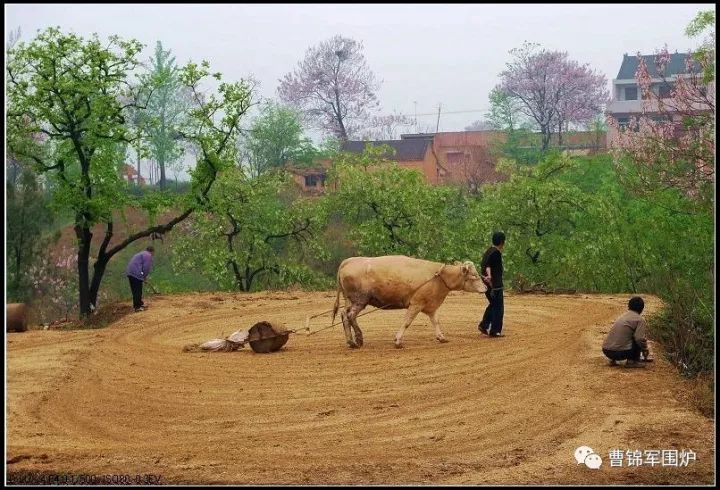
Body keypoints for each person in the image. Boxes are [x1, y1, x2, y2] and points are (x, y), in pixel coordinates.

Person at [602, 296, 651, 367]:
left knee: (624, 334)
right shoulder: (640, 320)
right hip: (622, 353)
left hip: (606, 351)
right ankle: (632, 361)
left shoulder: (622, 316)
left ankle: (612, 360)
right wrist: (645, 348)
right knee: (637, 338)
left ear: (629, 306)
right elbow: (639, 339)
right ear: (642, 309)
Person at [478, 231, 505, 337]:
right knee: (498, 307)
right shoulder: (496, 253)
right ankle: (495, 330)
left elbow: (486, 264)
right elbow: (488, 266)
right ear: (502, 242)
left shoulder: (488, 251)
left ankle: (484, 325)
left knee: (493, 305)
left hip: (486, 284)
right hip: (494, 285)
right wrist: (490, 276)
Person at [126, 246, 154, 312]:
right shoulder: (148, 255)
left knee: (135, 289)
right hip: (136, 272)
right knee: (137, 289)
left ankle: (139, 303)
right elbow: (146, 268)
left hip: (130, 272)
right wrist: (144, 276)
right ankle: (137, 307)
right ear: (152, 251)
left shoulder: (142, 253)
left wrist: (143, 276)